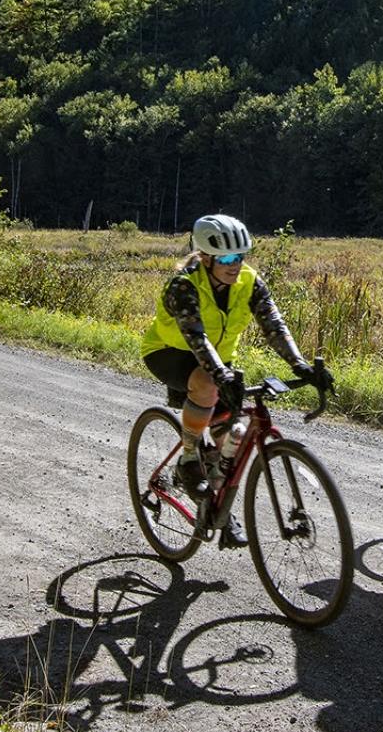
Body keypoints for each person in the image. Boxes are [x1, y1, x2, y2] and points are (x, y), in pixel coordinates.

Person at [141, 213, 331, 548]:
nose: (234, 264)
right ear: (205, 257)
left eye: (240, 256)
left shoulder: (249, 281)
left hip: (219, 361)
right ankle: (188, 459)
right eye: (227, 258)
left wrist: (300, 364)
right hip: (171, 352)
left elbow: (273, 324)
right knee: (207, 382)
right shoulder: (183, 286)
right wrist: (221, 375)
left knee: (233, 438)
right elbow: (196, 338)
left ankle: (218, 508)